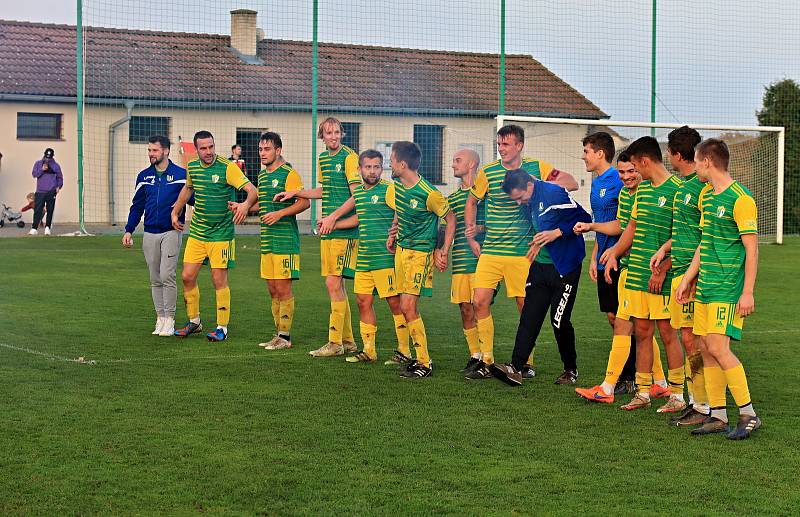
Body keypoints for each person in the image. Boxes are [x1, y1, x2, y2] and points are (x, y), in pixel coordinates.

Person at [464, 124, 578, 380]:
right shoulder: (488, 172)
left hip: (523, 252)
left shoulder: (537, 167)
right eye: (499, 144)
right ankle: (487, 361)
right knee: (479, 301)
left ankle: (526, 363)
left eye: (506, 144)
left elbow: (570, 182)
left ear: (519, 146)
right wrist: (472, 236)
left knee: (526, 308)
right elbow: (472, 201)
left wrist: (537, 186)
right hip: (491, 250)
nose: (501, 148)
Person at [676, 138, 761, 439]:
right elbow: (705, 242)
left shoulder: (741, 199)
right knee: (705, 347)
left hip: (728, 287)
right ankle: (718, 415)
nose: (695, 167)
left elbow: (751, 250)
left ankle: (749, 414)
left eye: (697, 162)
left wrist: (747, 291)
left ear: (707, 161)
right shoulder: (706, 197)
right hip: (706, 287)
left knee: (718, 348)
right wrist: (688, 277)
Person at [574, 152, 668, 403]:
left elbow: (665, 232)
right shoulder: (626, 195)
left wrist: (664, 262)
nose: (626, 177)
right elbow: (623, 227)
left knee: (662, 332)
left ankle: (668, 388)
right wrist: (609, 252)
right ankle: (656, 383)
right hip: (629, 267)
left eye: (631, 171)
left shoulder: (656, 192)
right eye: (622, 172)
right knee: (629, 325)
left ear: (642, 167)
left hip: (651, 271)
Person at [601, 136, 683, 411]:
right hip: (636, 274)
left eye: (636, 165)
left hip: (662, 278)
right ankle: (643, 392)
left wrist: (664, 268)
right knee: (643, 333)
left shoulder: (677, 191)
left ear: (645, 162)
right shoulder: (643, 191)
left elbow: (684, 237)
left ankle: (678, 394)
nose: (634, 172)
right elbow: (631, 229)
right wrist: (614, 253)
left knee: (668, 334)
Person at [490, 169, 591, 386]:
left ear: (529, 185)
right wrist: (538, 243)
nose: (518, 203)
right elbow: (540, 225)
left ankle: (570, 369)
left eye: (519, 198)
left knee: (559, 320)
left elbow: (585, 219)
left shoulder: (554, 194)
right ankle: (515, 368)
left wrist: (558, 232)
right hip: (540, 267)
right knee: (529, 316)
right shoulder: (529, 202)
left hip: (565, 267)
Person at [275, 117, 361, 357]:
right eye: (328, 133)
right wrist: (296, 192)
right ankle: (348, 341)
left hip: (344, 230)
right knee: (337, 285)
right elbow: (325, 190)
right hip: (329, 230)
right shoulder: (324, 158)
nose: (332, 136)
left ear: (342, 134)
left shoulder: (350, 158)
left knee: (333, 283)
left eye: (336, 132)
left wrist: (334, 217)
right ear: (322, 137)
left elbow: (357, 196)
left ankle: (335, 343)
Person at [324, 149, 411, 364]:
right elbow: (358, 219)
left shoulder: (389, 190)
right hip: (364, 258)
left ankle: (404, 351)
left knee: (394, 303)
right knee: (363, 302)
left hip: (385, 257)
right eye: (368, 167)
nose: (372, 171)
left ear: (382, 168)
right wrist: (333, 225)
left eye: (376, 167)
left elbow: (403, 210)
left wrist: (395, 227)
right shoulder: (359, 194)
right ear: (360, 169)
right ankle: (369, 351)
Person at [171, 130, 258, 342]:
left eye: (211, 146)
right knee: (187, 276)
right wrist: (175, 211)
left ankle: (222, 327)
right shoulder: (192, 167)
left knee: (218, 279)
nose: (208, 151)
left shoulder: (228, 167)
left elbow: (252, 190)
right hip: (198, 231)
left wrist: (245, 206)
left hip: (221, 234)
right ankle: (194, 322)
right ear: (197, 149)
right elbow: (187, 189)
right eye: (203, 148)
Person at [650, 126, 709, 420]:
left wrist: (691, 272)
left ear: (675, 154)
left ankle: (705, 404)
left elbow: (707, 235)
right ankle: (697, 400)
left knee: (698, 340)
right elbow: (685, 232)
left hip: (696, 274)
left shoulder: (703, 188)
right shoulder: (684, 187)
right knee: (688, 338)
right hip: (681, 272)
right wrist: (665, 248)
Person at [386, 141, 455, 378]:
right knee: (405, 307)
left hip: (421, 254)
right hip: (402, 252)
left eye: (392, 160)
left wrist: (442, 250)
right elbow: (400, 211)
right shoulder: (397, 186)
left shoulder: (429, 194)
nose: (390, 164)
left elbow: (451, 220)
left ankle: (425, 363)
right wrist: (393, 232)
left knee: (408, 306)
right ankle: (418, 358)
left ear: (402, 164)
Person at [122, 135, 191, 337]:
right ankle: (160, 318)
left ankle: (170, 319)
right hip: (149, 232)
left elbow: (193, 199)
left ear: (166, 151)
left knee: (167, 275)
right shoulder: (144, 176)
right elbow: (138, 205)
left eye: (155, 150)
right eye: (149, 150)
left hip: (171, 231)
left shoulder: (181, 175)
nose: (151, 154)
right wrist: (129, 229)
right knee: (154, 278)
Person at [251, 132, 309, 350]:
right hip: (267, 241)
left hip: (285, 241)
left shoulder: (289, 174)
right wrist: (244, 207)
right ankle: (278, 335)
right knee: (273, 290)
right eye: (260, 149)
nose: (263, 153)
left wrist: (280, 214)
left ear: (278, 150)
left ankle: (285, 337)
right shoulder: (263, 175)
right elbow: (264, 204)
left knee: (284, 290)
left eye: (267, 149)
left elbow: (304, 203)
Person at [447, 149, 487, 377]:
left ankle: (486, 354)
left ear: (472, 164)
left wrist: (480, 229)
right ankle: (475, 355)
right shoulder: (452, 199)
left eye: (457, 160)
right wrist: (441, 249)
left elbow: (495, 222)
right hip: (460, 261)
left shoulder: (485, 194)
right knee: (465, 308)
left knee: (480, 306)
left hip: (482, 260)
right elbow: (447, 228)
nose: (453, 165)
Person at [29, 147, 63, 236]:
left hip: (51, 191)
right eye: (46, 156)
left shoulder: (56, 165)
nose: (47, 158)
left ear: (52, 157)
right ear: (44, 155)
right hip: (40, 191)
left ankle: (47, 227)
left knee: (50, 210)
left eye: (49, 157)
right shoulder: (38, 163)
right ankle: (34, 228)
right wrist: (42, 170)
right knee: (37, 210)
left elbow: (60, 178)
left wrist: (59, 186)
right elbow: (34, 174)